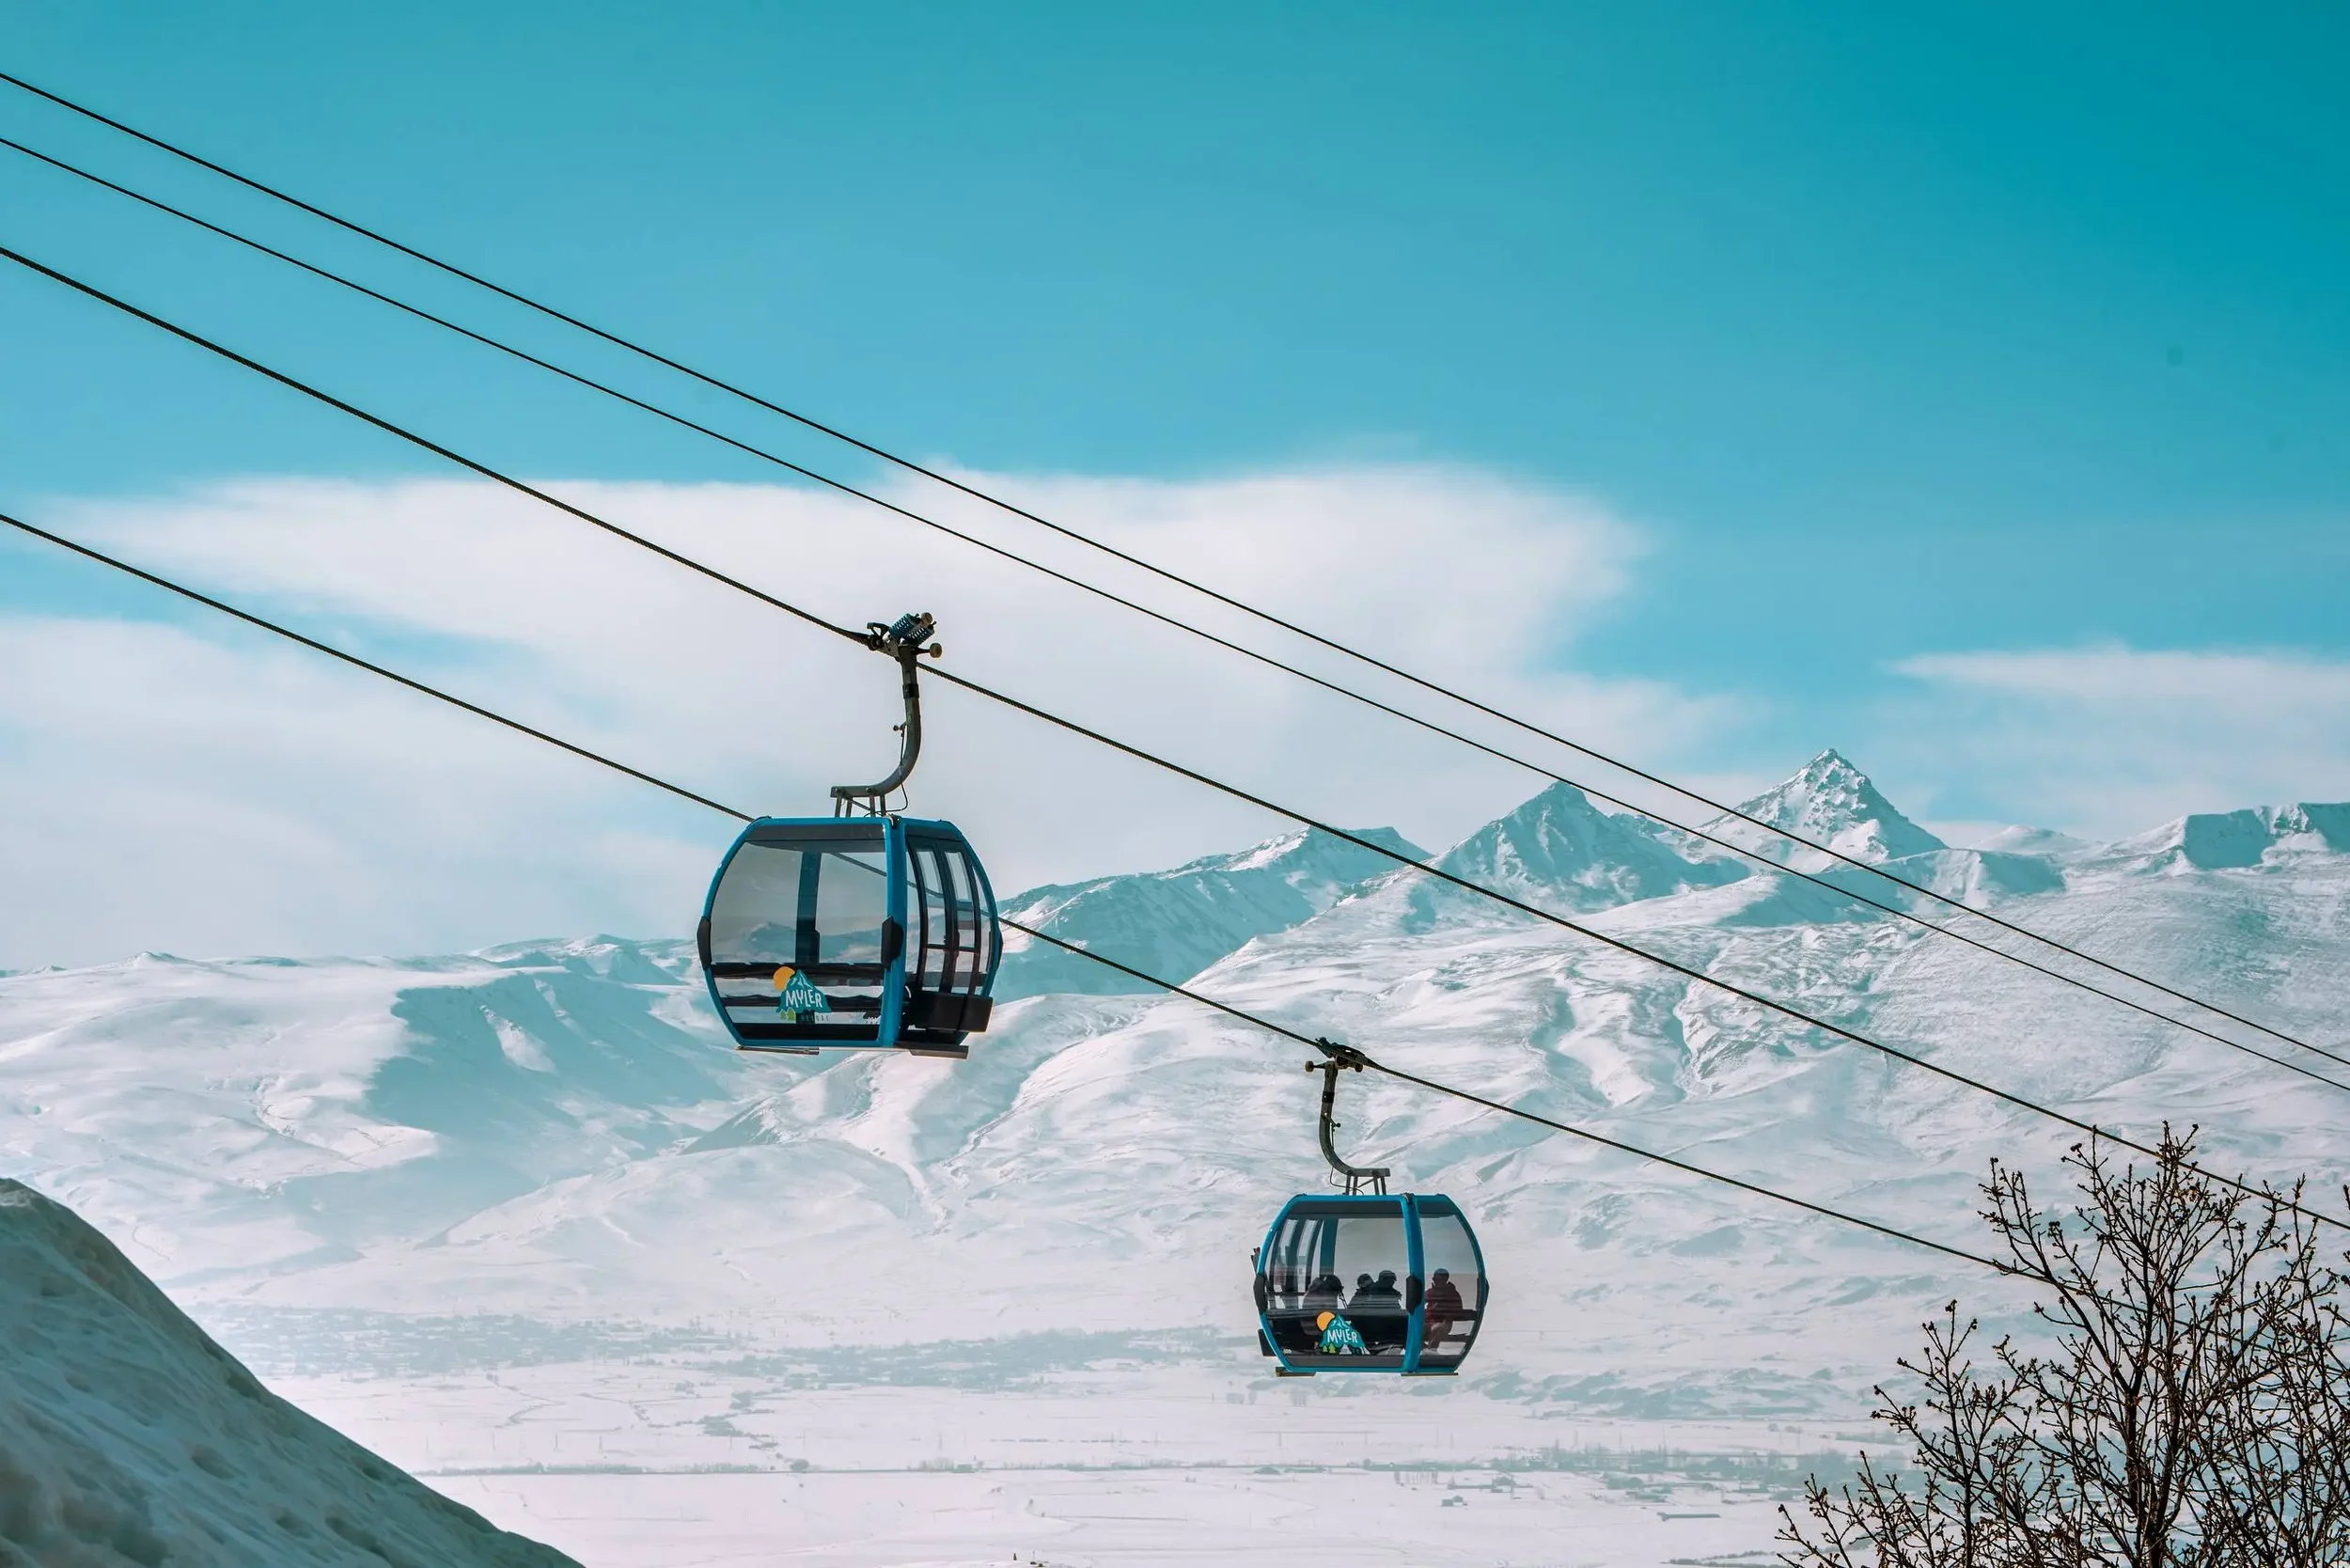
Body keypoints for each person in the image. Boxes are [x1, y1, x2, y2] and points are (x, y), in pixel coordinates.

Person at [1422, 1267, 1466, 1350]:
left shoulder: (1452, 1293)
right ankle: (1425, 1351)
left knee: (1437, 1328)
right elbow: (1419, 1304)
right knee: (1413, 1330)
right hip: (1428, 1323)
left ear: (1445, 1280)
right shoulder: (1430, 1292)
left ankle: (1431, 1350)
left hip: (1444, 1323)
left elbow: (1458, 1310)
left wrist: (1446, 1316)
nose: (1436, 1281)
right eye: (1435, 1279)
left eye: (1439, 1279)